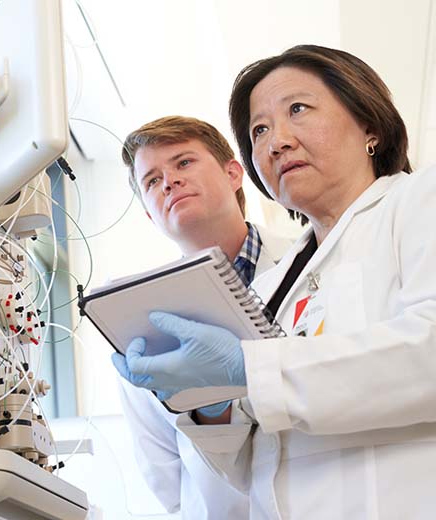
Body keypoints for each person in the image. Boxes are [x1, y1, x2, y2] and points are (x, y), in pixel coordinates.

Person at [113, 44, 436, 519]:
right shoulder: (272, 289)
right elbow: (246, 466)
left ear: (369, 125)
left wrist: (252, 370)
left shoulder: (417, 202)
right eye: (259, 129)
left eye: (298, 110)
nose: (276, 141)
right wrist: (206, 404)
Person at [116, 116, 292, 519]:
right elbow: (164, 474)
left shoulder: (308, 260)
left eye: (183, 163)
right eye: (151, 180)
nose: (168, 182)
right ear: (148, 213)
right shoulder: (140, 324)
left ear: (234, 173)